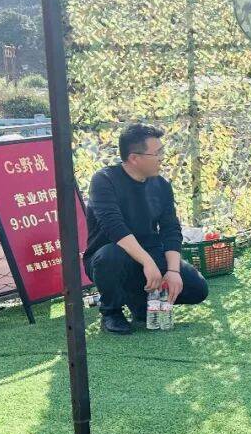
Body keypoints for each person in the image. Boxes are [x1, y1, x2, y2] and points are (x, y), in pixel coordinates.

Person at [84, 124, 209, 335]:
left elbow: (170, 229)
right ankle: (111, 312)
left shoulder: (161, 185)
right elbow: (114, 227)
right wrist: (147, 262)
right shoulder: (104, 180)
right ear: (134, 158)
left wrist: (173, 271)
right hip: (111, 256)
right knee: (111, 256)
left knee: (197, 288)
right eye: (157, 153)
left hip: (151, 251)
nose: (162, 158)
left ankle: (140, 302)